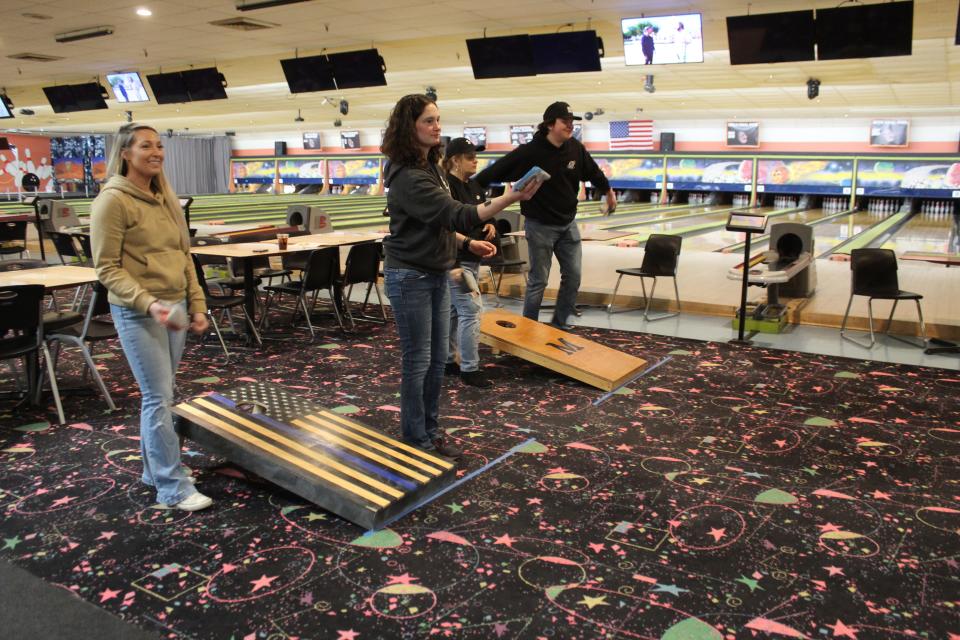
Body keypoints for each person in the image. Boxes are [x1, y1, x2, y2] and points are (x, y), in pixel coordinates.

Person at [381, 94, 540, 460]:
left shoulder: (432, 166)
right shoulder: (408, 177)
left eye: (438, 119)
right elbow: (457, 213)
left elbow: (443, 225)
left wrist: (468, 244)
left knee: (437, 360)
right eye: (428, 121)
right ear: (410, 127)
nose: (437, 126)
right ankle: (414, 437)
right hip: (410, 277)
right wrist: (510, 198)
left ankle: (430, 430)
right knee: (418, 360)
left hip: (435, 272)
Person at [91, 123, 212, 512]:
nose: (156, 151)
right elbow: (106, 268)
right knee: (158, 397)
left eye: (160, 145)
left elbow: (184, 257)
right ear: (126, 153)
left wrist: (197, 304)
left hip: (174, 306)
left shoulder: (166, 199)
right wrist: (148, 303)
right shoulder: (113, 200)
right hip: (138, 311)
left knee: (162, 394)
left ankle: (154, 469)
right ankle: (171, 487)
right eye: (146, 146)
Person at [473, 101, 616, 330]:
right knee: (539, 281)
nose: (570, 125)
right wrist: (471, 192)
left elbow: (594, 172)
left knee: (574, 276)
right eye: (565, 121)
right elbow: (493, 171)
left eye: (572, 121)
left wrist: (608, 191)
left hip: (567, 223)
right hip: (540, 226)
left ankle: (560, 325)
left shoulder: (575, 149)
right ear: (550, 124)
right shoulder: (530, 152)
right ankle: (529, 329)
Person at [442, 137, 496, 388]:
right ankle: (469, 369)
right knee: (471, 310)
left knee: (455, 312)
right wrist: (466, 246)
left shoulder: (474, 186)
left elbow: (485, 213)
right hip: (455, 262)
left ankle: (447, 361)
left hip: (471, 260)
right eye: (469, 156)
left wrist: (489, 225)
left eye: (476, 155)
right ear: (455, 160)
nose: (476, 160)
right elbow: (442, 228)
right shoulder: (445, 188)